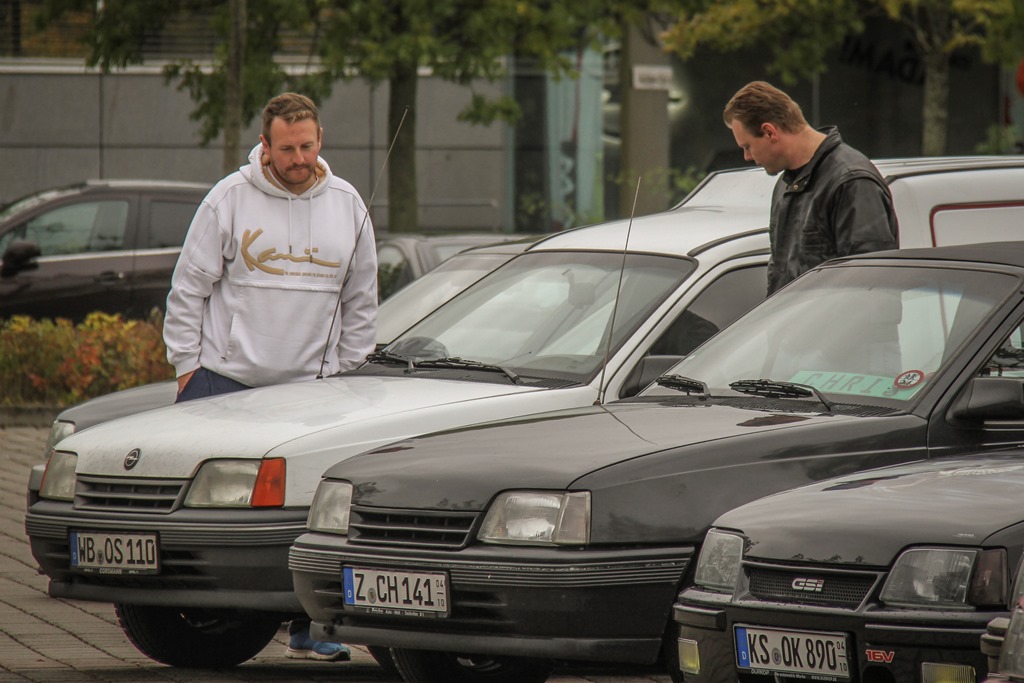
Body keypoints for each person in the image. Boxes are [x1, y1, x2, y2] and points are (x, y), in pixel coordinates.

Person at [164, 92, 378, 662]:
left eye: (307, 146)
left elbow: (362, 302)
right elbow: (188, 289)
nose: (298, 158)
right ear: (266, 145)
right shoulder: (228, 199)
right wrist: (188, 371)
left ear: (320, 139)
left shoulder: (349, 204)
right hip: (224, 383)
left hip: (313, 394)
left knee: (312, 517)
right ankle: (201, 621)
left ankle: (312, 628)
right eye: (286, 148)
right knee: (213, 516)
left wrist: (349, 375)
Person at [723, 80, 898, 295]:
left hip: (839, 328)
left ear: (769, 132)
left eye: (747, 146)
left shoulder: (852, 182)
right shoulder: (786, 185)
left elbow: (871, 287)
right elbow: (780, 276)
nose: (747, 157)